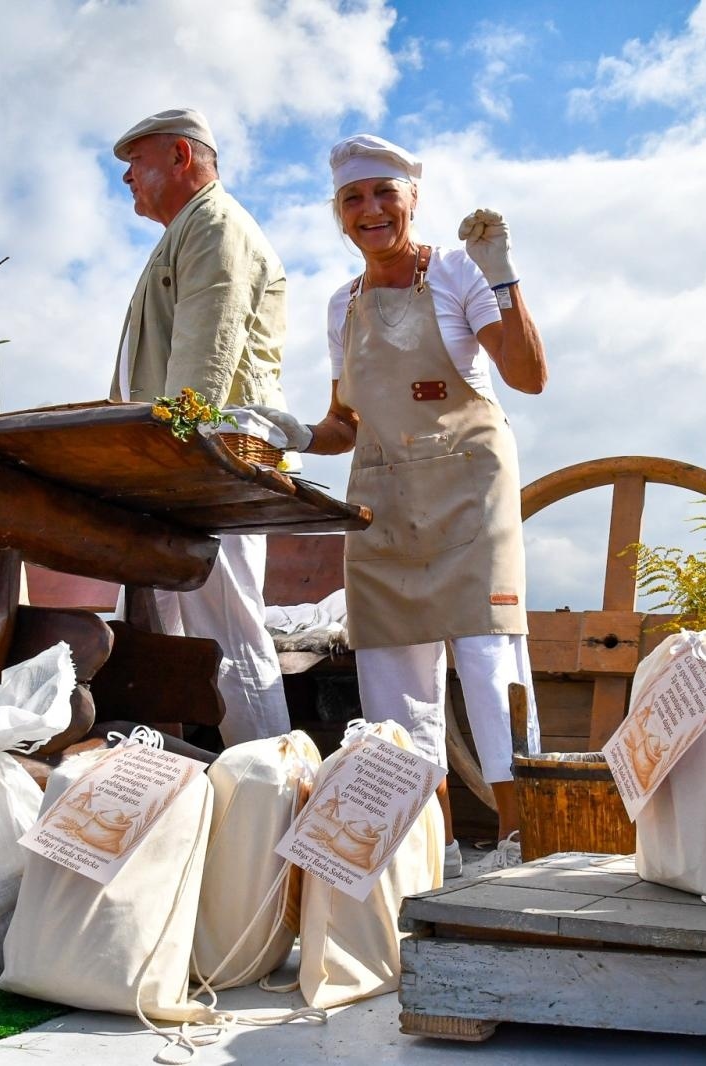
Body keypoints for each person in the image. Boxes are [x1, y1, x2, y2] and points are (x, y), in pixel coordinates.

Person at [256, 134, 548, 876]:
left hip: (469, 495)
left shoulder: (457, 273)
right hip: (382, 504)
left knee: (489, 667)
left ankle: (524, 850)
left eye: (385, 192)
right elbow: (345, 425)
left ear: (412, 199)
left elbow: (527, 375)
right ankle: (430, 857)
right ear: (339, 213)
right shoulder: (342, 305)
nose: (370, 209)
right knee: (392, 686)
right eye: (353, 198)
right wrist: (290, 433)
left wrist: (503, 277)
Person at [108, 107, 291, 747]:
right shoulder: (188, 229)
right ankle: (174, 780)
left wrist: (169, 460)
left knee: (227, 630)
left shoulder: (215, 225)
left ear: (181, 156)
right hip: (181, 458)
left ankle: (273, 781)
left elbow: (202, 366)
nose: (126, 177)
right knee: (163, 630)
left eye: (136, 161)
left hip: (210, 457)